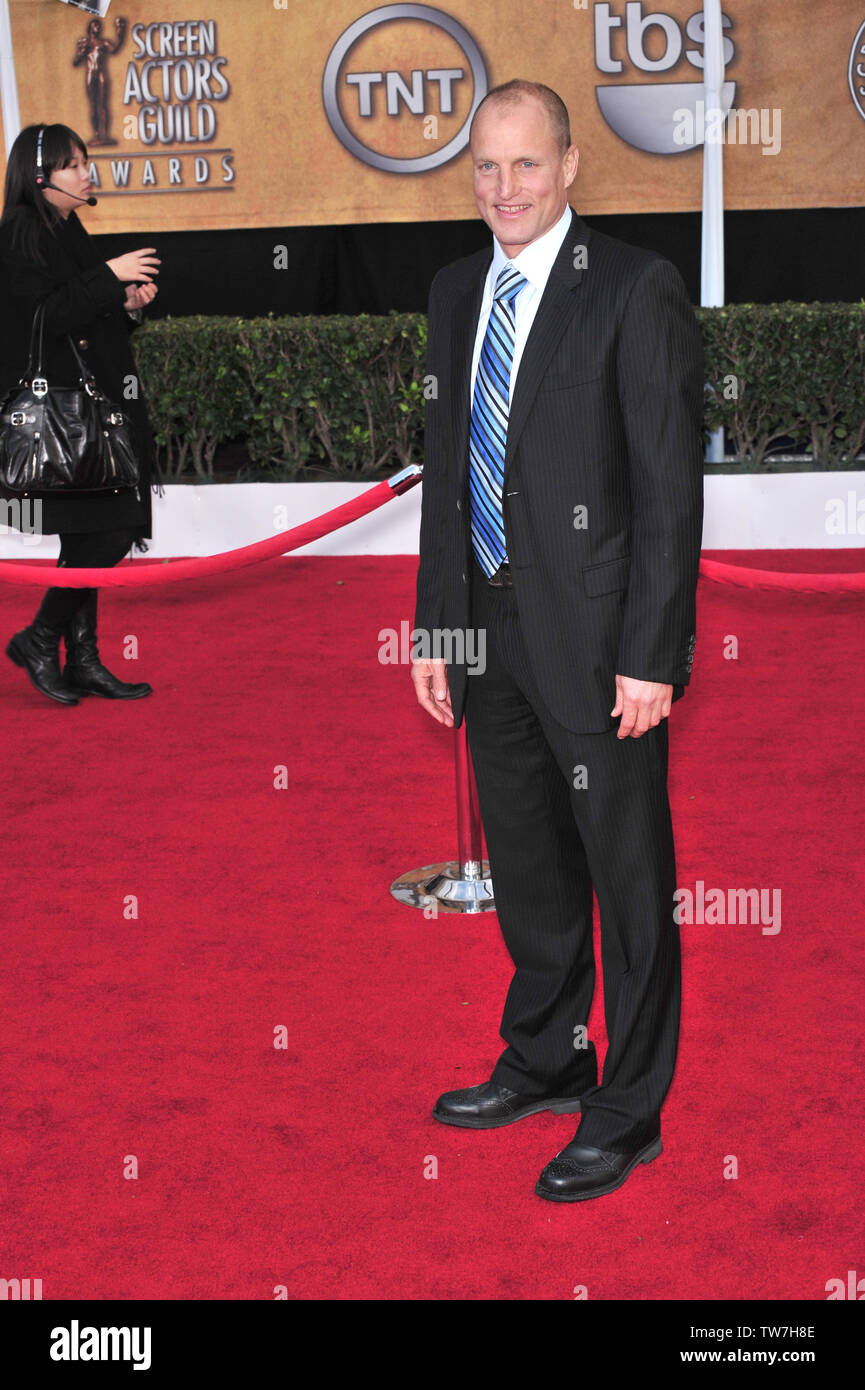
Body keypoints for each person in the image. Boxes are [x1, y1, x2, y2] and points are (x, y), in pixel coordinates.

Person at [411, 81, 704, 1202]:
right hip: (486, 632)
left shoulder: (634, 288)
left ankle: (626, 1109)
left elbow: (669, 491)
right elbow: (449, 474)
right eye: (485, 168)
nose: (503, 189)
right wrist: (439, 627)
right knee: (529, 864)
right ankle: (543, 1056)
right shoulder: (452, 291)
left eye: (525, 165)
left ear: (570, 167)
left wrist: (653, 651)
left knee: (628, 883)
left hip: (596, 641)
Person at [0, 122, 161, 705]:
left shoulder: (66, 226)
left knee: (89, 536)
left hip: (89, 414)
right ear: (39, 175)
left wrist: (125, 304)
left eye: (84, 161)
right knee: (109, 532)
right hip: (62, 420)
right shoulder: (21, 228)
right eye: (72, 163)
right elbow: (38, 319)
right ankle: (41, 638)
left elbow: (83, 314)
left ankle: (83, 658)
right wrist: (107, 277)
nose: (85, 172)